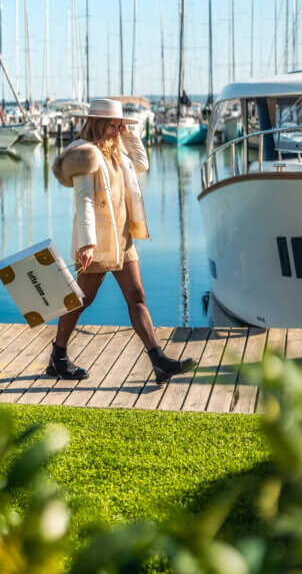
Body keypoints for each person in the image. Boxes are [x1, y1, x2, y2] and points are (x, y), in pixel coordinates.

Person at [50, 98, 195, 384]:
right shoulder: (85, 155)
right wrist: (87, 244)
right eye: (112, 126)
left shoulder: (119, 153)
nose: (117, 131)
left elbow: (143, 162)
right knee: (81, 300)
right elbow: (85, 201)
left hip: (124, 239)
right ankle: (58, 357)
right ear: (98, 124)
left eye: (119, 125)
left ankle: (159, 361)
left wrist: (128, 133)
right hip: (100, 243)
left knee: (137, 296)